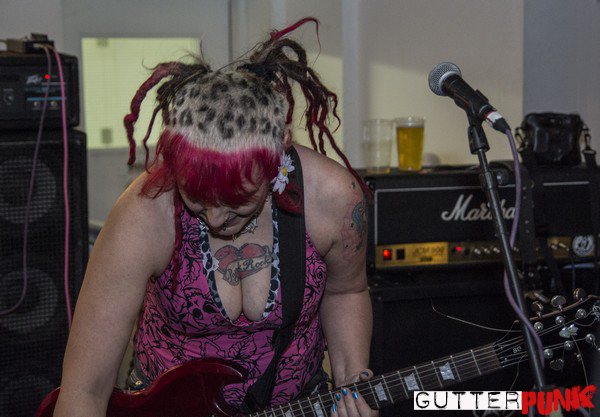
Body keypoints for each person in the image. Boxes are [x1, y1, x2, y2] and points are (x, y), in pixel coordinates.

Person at [52, 17, 377, 417]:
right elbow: (86, 389)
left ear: (279, 150)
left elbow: (346, 291)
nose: (216, 218)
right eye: (197, 199)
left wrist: (351, 381)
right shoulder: (144, 213)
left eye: (237, 200)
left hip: (296, 405)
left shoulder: (334, 199)